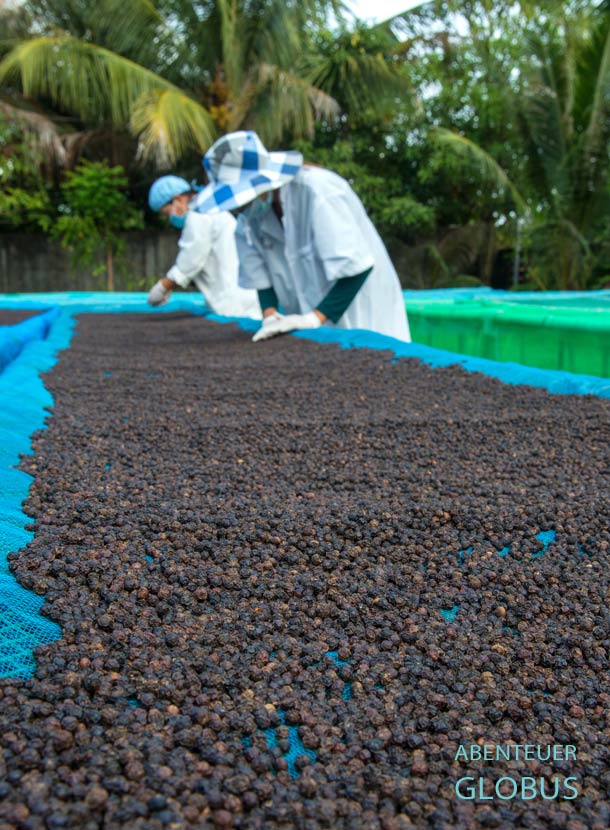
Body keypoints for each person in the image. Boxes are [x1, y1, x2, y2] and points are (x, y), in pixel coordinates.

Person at [193, 131, 411, 342]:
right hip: (312, 320)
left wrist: (314, 318)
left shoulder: (318, 191)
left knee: (374, 354)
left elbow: (356, 267)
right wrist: (270, 316)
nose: (240, 208)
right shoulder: (248, 222)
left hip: (362, 310)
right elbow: (261, 278)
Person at [146, 175, 261, 318]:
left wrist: (163, 287)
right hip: (241, 295)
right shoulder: (208, 208)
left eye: (167, 213)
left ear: (178, 199)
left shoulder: (198, 214)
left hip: (234, 300)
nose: (170, 218)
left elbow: (191, 260)